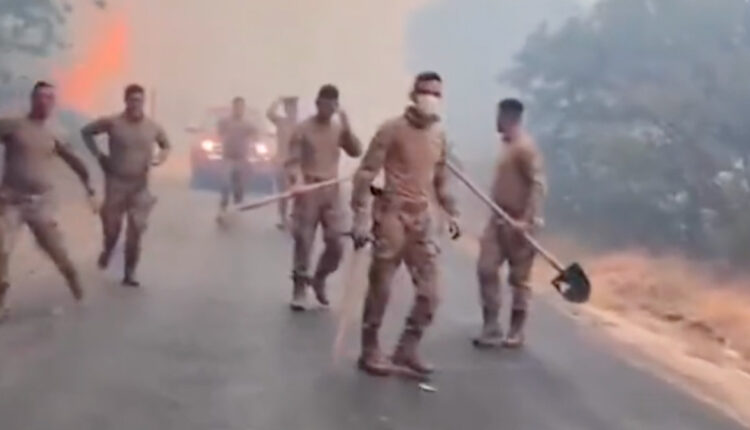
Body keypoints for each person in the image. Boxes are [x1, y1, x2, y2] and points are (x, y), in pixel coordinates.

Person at [350, 72, 460, 377]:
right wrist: (360, 216)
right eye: (426, 92)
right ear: (413, 95)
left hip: (421, 218)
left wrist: (452, 212)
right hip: (392, 215)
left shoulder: (439, 136)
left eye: (436, 94)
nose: (430, 98)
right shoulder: (392, 129)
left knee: (431, 292)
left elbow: (440, 181)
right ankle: (370, 349)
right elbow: (366, 173)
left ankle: (407, 348)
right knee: (381, 286)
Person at [0, 81, 96, 318]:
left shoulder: (56, 134)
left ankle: (78, 291)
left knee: (58, 252)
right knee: (1, 248)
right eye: (41, 96)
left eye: (50, 98)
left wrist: (90, 189)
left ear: (54, 103)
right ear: (33, 99)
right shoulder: (12, 126)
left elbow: (76, 163)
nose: (45, 102)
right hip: (10, 201)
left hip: (40, 204)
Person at [81, 84, 171, 287]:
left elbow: (166, 145)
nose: (136, 104)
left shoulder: (152, 127)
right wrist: (99, 156)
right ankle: (108, 249)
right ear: (126, 101)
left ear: (143, 102)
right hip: (116, 183)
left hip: (140, 186)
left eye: (139, 100)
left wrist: (160, 158)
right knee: (112, 229)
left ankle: (129, 273)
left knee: (136, 231)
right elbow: (86, 132)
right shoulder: (113, 123)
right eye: (132, 100)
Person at [473, 98, 546, 349]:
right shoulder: (506, 146)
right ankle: (491, 325)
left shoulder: (525, 148)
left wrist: (527, 220)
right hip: (498, 220)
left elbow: (538, 185)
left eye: (499, 116)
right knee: (486, 268)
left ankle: (516, 330)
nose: (496, 121)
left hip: (520, 223)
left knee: (519, 280)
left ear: (508, 118)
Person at [285, 85, 362, 311]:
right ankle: (299, 288)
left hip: (331, 190)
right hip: (308, 189)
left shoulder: (338, 129)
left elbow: (356, 151)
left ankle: (320, 277)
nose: (328, 109)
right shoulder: (303, 129)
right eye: (324, 104)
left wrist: (347, 127)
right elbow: (292, 162)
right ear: (317, 104)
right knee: (304, 240)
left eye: (333, 105)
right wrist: (297, 181)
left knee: (336, 242)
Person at [216, 96, 258, 218]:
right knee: (225, 183)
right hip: (228, 158)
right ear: (233, 107)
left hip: (241, 159)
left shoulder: (247, 125)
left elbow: (256, 135)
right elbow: (220, 133)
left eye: (241, 107)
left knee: (239, 187)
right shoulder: (225, 122)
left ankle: (236, 209)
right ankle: (223, 209)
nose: (239, 109)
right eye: (237, 106)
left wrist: (253, 145)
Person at [266, 96, 300, 230]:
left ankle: (295, 216)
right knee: (283, 193)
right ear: (285, 109)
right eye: (288, 107)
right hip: (281, 161)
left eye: (293, 107)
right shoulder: (281, 122)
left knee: (298, 192)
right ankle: (283, 217)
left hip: (295, 164)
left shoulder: (301, 125)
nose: (291, 110)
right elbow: (269, 113)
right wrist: (278, 100)